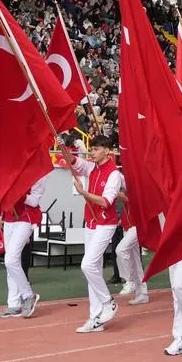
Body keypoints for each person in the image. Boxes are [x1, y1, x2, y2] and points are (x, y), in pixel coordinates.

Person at [67, 135, 122, 333]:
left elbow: (106, 202)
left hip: (105, 224)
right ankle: (95, 317)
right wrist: (62, 146)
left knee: (87, 265)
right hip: (90, 223)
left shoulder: (114, 174)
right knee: (93, 270)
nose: (93, 152)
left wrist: (83, 193)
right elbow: (73, 161)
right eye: (92, 148)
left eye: (97, 149)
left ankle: (109, 303)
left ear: (107, 151)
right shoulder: (92, 167)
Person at [0, 171, 46, 319]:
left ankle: (28, 295)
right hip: (9, 218)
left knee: (10, 260)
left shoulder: (39, 173)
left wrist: (17, 193)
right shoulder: (12, 168)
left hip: (26, 218)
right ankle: (13, 304)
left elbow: (34, 201)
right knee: (11, 263)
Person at [114, 190, 148, 305]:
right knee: (136, 261)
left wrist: (125, 198)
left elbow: (140, 203)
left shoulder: (137, 185)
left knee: (120, 250)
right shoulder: (124, 184)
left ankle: (129, 280)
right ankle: (142, 294)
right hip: (127, 227)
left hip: (136, 226)